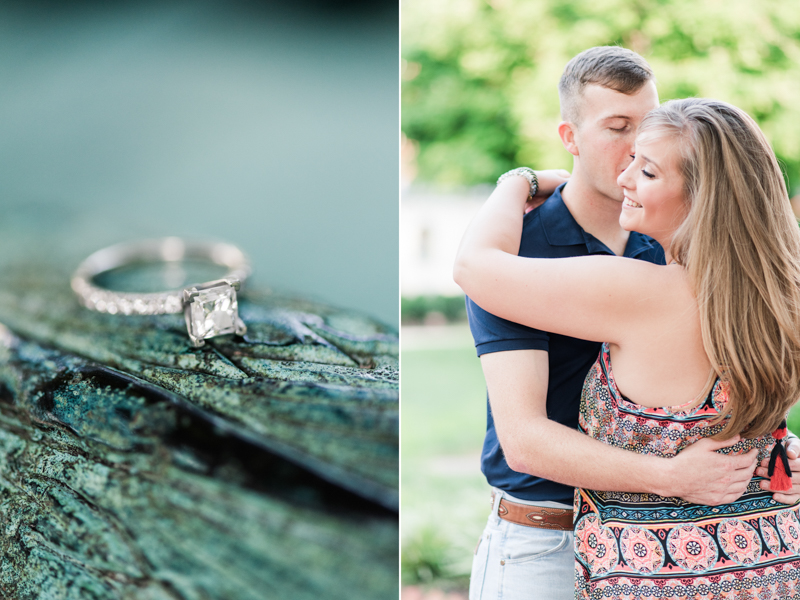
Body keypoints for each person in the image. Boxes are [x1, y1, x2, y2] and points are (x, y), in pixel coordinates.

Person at [461, 46, 800, 600]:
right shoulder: (530, 246)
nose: (633, 155)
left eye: (648, 147)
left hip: (665, 556)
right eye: (619, 130)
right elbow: (522, 442)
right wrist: (769, 456)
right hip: (551, 540)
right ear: (570, 136)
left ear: (698, 188)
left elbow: (473, 267)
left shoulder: (656, 265)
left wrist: (514, 180)